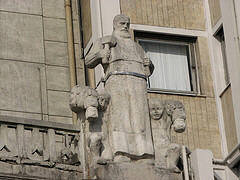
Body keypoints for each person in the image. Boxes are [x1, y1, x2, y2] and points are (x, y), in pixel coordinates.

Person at [85, 14, 154, 162]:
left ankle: (145, 152)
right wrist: (100, 54)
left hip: (138, 83)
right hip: (117, 81)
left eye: (127, 24)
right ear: (115, 24)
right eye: (122, 23)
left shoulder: (137, 46)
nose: (125, 27)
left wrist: (149, 64)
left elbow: (149, 68)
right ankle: (121, 151)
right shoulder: (106, 41)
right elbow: (88, 61)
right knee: (121, 117)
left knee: (140, 118)